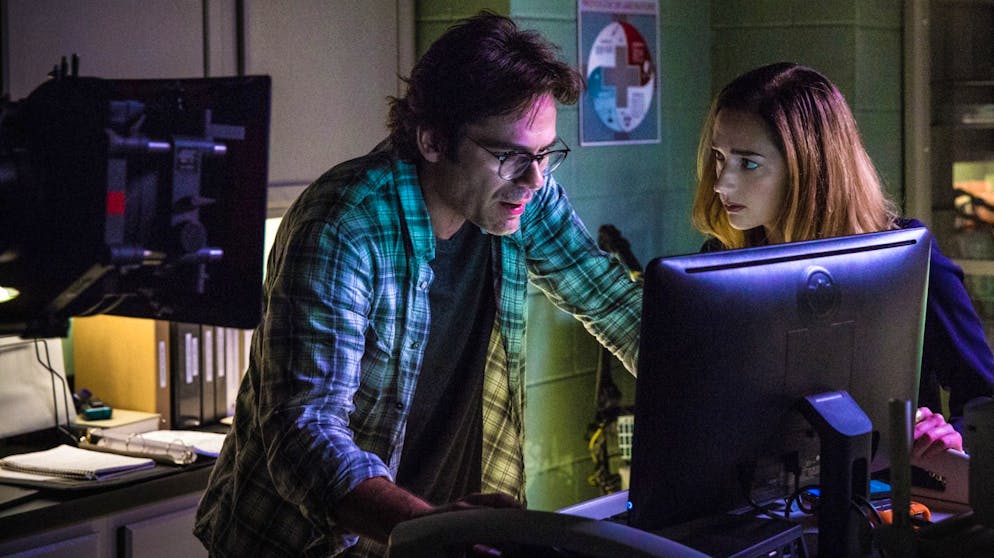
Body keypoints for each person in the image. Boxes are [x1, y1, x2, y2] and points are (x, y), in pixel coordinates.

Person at [193, 11, 642, 558]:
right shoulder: (343, 225)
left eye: (545, 154)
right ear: (432, 140)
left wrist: (709, 385)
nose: (534, 178)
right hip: (306, 544)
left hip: (437, 534)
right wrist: (427, 529)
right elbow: (304, 430)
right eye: (510, 156)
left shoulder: (523, 195)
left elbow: (609, 299)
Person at [690, 62, 994, 469]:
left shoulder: (908, 262)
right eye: (719, 157)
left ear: (808, 169)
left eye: (748, 163)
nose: (720, 183)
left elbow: (984, 399)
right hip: (758, 496)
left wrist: (952, 437)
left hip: (891, 495)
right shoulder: (719, 266)